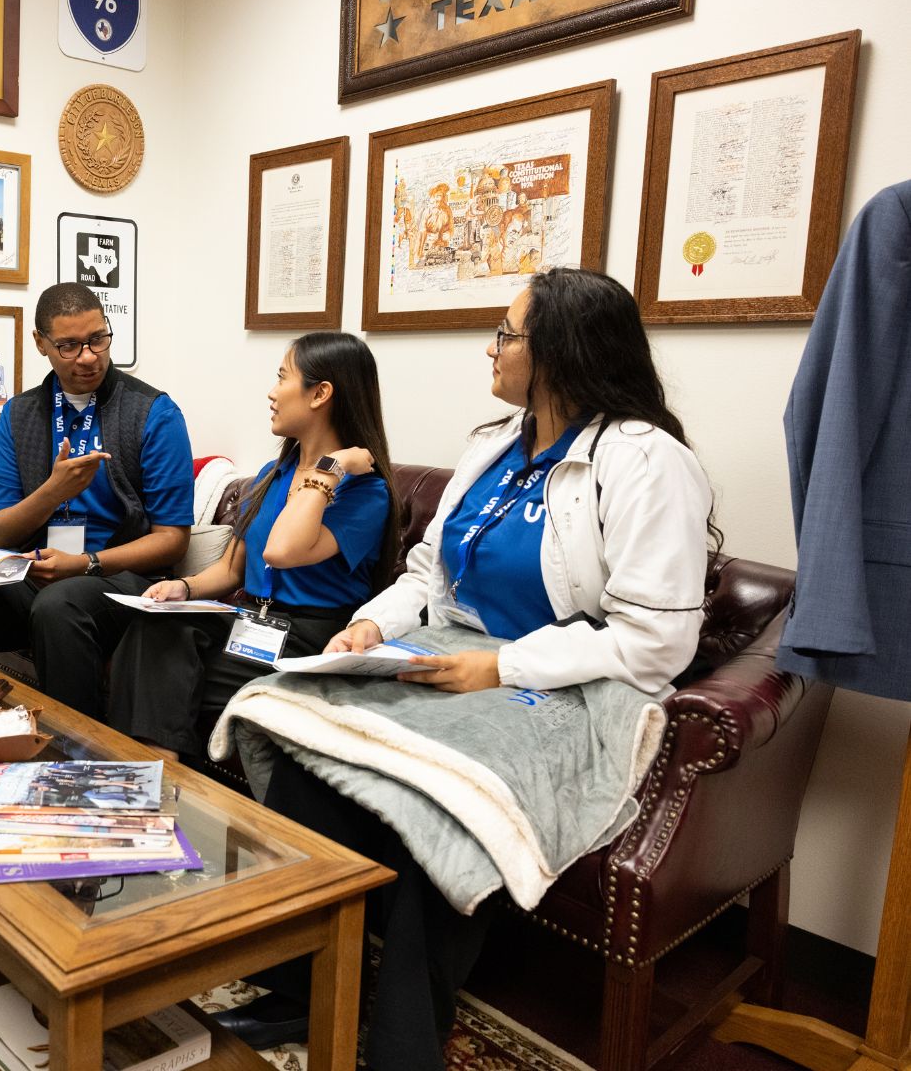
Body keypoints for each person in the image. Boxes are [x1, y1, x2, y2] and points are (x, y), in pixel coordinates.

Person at [215, 268, 715, 1069]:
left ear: (557, 350)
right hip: (448, 656)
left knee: (443, 808)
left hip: (568, 688)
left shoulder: (645, 460)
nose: (493, 347)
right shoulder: (491, 448)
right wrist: (370, 624)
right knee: (300, 733)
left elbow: (657, 640)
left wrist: (502, 667)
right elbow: (425, 574)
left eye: (507, 335)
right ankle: (296, 989)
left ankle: (404, 1049)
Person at [107, 332, 400, 760]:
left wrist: (329, 469)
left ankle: (148, 779)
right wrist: (184, 589)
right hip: (252, 621)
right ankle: (143, 772)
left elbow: (282, 551)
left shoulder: (365, 492)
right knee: (154, 625)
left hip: (306, 637)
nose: (272, 392)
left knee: (158, 667)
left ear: (320, 394)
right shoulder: (272, 473)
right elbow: (231, 570)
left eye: (283, 377)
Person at [0, 282, 193, 719]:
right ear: (41, 344)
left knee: (60, 605)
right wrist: (53, 492)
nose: (89, 357)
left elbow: (172, 541)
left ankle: (73, 755)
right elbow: (0, 530)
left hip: (125, 580)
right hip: (37, 572)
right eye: (70, 346)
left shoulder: (154, 412)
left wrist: (85, 564)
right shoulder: (19, 415)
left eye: (98, 339)